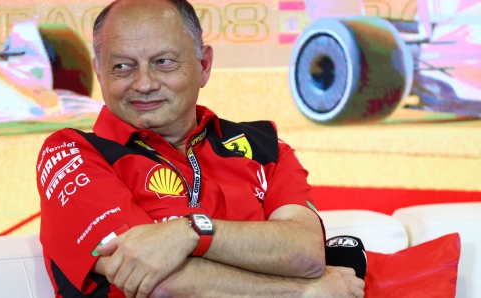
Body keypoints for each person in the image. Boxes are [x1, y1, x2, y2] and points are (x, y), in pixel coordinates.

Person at [35, 0, 365, 297]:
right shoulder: (72, 153)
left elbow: (305, 253)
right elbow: (162, 282)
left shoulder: (264, 146)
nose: (144, 83)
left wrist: (189, 233)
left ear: (203, 65)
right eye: (122, 66)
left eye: (163, 61)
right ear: (98, 72)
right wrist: (307, 292)